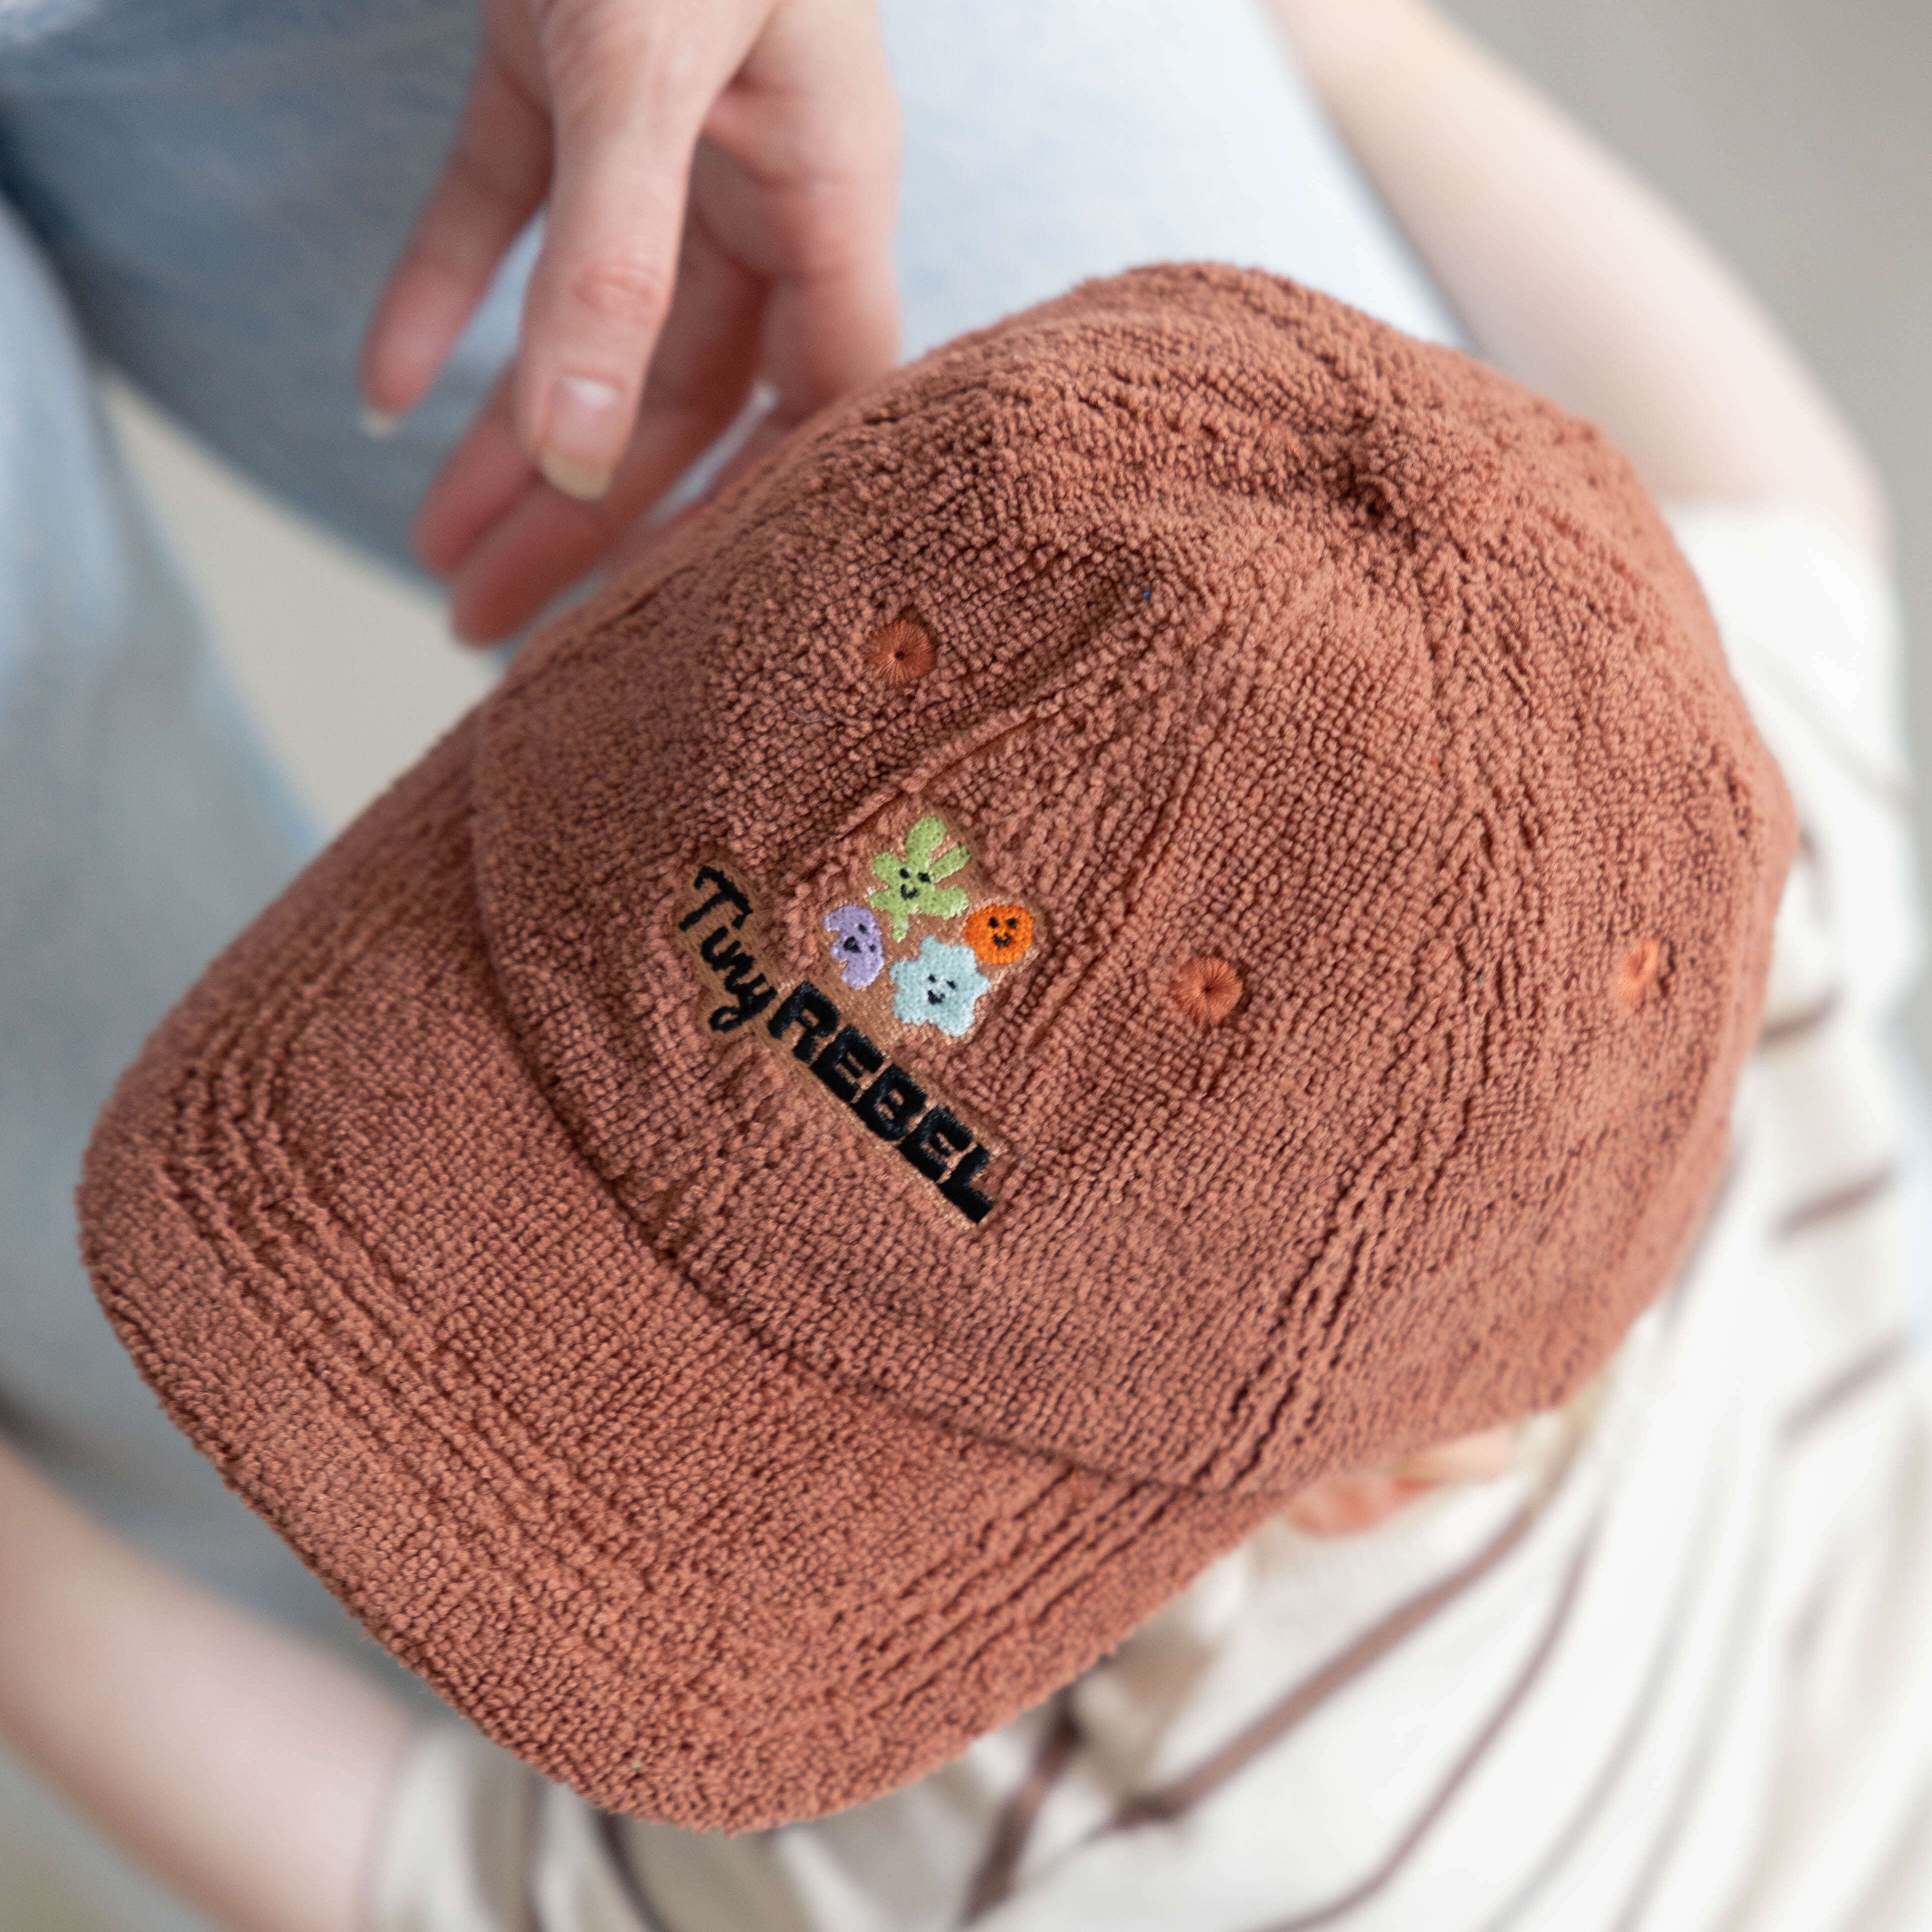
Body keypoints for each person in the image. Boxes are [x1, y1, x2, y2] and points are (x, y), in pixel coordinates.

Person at [2, 9, 1926, 1932]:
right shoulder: (1748, 853)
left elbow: (480, 1881)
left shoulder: (1160, 1841)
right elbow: (1797, 503)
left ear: (1358, 1485)